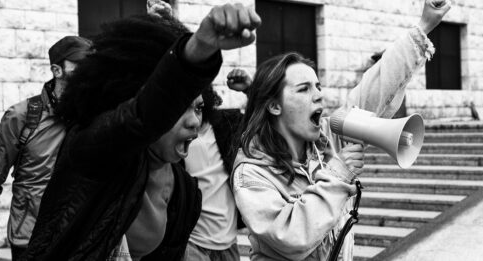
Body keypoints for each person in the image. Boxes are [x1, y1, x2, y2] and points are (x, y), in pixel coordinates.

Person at [22, 3, 261, 261]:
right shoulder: (94, 153)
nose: (193, 122)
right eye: (179, 107)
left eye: (199, 108)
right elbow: (141, 115)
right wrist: (198, 47)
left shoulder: (185, 192)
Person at [232, 0, 451, 260]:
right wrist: (337, 175)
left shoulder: (330, 138)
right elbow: (291, 236)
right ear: (274, 106)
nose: (318, 97)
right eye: (304, 89)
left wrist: (424, 26)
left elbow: (376, 87)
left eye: (318, 87)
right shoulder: (252, 172)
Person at [0, 36, 92, 261]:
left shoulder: (92, 117)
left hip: (79, 240)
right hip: (30, 241)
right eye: (80, 64)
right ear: (57, 70)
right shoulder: (22, 116)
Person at [183, 68, 251, 261]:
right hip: (192, 245)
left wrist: (250, 89)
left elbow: (264, 121)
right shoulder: (175, 137)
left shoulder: (225, 126)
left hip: (228, 243)